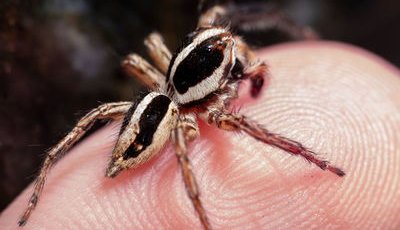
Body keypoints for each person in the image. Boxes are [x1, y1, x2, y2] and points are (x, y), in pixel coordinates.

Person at [1, 42, 399, 229]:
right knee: (240, 126)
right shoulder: (195, 117)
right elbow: (245, 108)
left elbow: (132, 58)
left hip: (160, 99)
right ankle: (206, 220)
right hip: (163, 122)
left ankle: (41, 183)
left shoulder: (164, 70)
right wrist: (314, 157)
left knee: (99, 113)